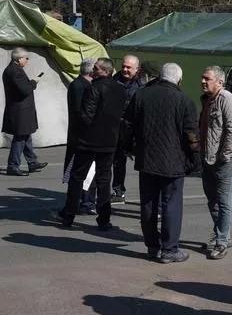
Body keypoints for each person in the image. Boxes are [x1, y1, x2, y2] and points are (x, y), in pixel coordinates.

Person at [126, 63, 200, 263]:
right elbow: (191, 135)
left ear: (160, 76)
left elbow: (127, 124)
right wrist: (195, 159)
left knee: (148, 204)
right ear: (179, 80)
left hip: (147, 159)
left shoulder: (141, 95)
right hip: (173, 162)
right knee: (172, 204)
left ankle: (152, 246)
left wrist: (130, 148)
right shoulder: (184, 101)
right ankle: (169, 249)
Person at [55, 58, 127, 229]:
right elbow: (121, 115)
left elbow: (87, 115)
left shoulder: (93, 88)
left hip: (89, 141)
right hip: (109, 141)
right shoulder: (120, 89)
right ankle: (104, 219)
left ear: (104, 71)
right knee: (104, 180)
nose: (93, 70)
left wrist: (82, 131)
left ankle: (69, 214)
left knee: (77, 177)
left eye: (96, 68)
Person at [199, 66, 232, 260]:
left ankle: (221, 241)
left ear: (220, 82)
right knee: (212, 198)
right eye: (203, 77)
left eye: (207, 78)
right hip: (208, 157)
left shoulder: (227, 100)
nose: (203, 81)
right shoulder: (208, 100)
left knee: (223, 199)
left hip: (225, 159)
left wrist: (224, 155)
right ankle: (222, 233)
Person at [3, 47, 46, 176]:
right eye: (26, 58)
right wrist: (34, 81)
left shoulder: (14, 69)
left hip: (21, 109)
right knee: (20, 138)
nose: (27, 60)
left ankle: (32, 162)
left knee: (26, 136)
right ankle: (13, 165)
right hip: (19, 110)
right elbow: (25, 90)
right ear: (19, 58)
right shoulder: (14, 71)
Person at [110, 54, 145, 203]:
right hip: (118, 129)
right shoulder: (114, 81)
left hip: (136, 130)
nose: (124, 69)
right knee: (118, 162)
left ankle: (149, 196)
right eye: (123, 66)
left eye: (128, 67)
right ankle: (118, 191)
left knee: (145, 164)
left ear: (137, 69)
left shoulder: (142, 85)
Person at [65, 58, 97, 213]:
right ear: (91, 71)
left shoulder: (79, 84)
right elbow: (81, 111)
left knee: (86, 171)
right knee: (82, 171)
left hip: (79, 135)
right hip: (81, 136)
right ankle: (84, 202)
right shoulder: (80, 86)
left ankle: (85, 201)